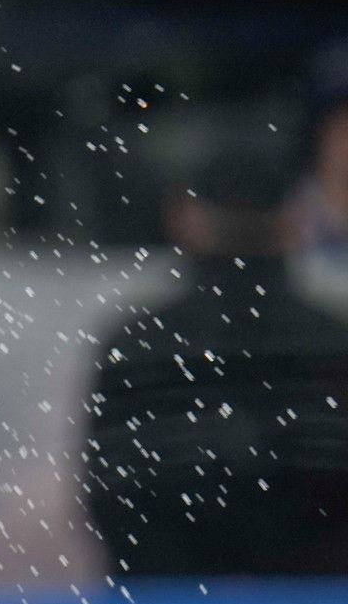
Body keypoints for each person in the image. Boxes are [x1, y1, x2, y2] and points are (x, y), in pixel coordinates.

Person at [85, 142, 348, 575]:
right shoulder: (331, 343)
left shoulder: (137, 347)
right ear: (294, 220)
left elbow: (114, 504)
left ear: (183, 219)